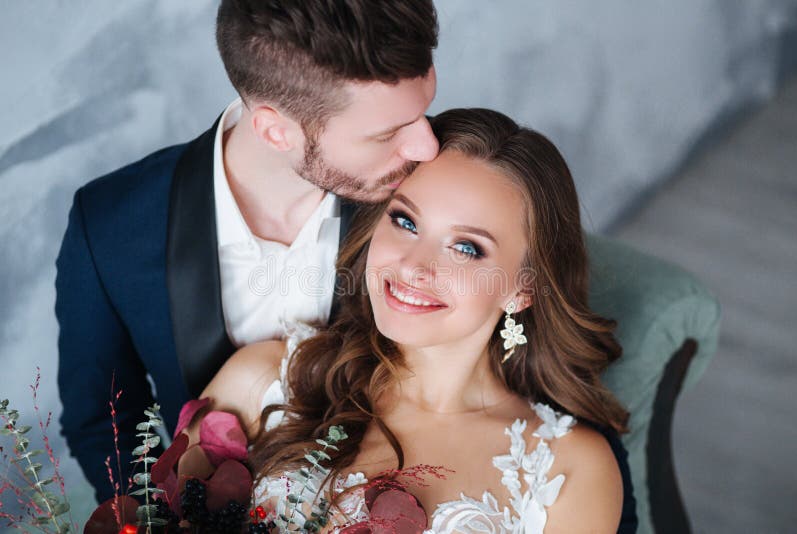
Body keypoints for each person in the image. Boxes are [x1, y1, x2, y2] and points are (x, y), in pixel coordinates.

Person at [55, 0, 439, 503]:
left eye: (423, 110)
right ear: (276, 131)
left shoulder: (438, 196)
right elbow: (102, 422)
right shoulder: (109, 225)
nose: (427, 147)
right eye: (387, 134)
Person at [196, 108, 638, 532]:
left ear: (522, 288)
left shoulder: (568, 470)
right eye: (405, 220)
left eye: (466, 248)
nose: (413, 267)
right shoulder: (263, 382)